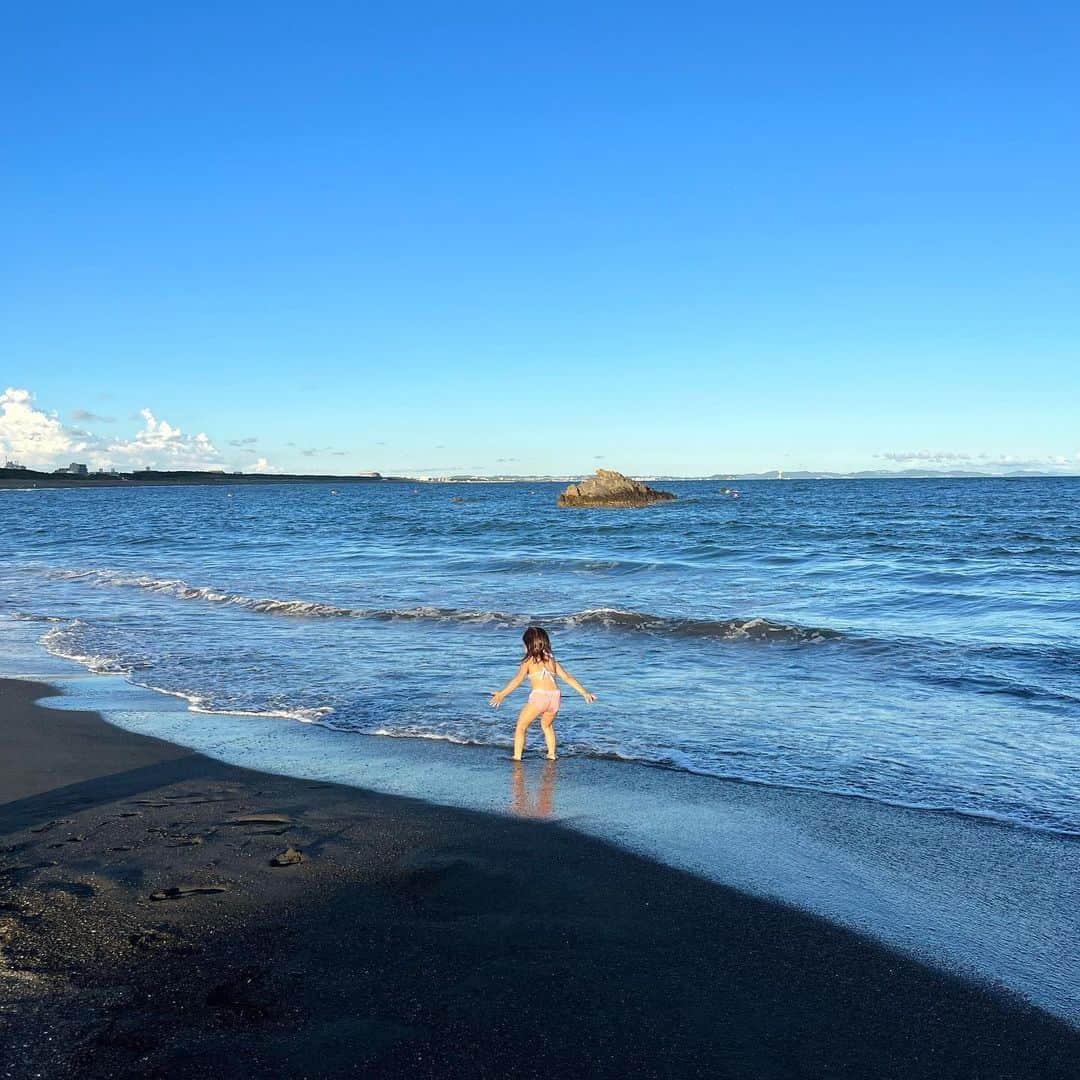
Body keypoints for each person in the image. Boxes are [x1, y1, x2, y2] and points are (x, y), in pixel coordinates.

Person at [490, 626, 596, 760]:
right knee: (547, 725)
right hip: (555, 697)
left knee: (521, 726)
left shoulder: (528, 661)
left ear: (529, 645)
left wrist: (502, 694)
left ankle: (517, 756)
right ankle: (551, 754)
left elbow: (517, 680)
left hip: (540, 697)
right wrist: (584, 692)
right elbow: (568, 678)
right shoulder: (552, 660)